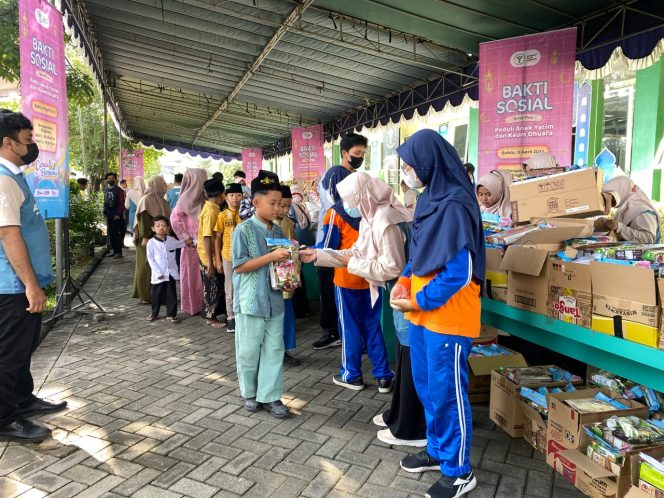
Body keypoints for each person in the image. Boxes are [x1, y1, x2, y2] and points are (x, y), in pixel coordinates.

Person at [390, 129, 484, 498]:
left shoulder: (457, 203)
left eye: (412, 164)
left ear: (429, 163)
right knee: (427, 387)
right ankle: (437, 450)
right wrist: (403, 280)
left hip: (447, 315)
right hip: (422, 314)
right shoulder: (430, 198)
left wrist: (418, 300)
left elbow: (459, 272)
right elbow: (418, 255)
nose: (408, 171)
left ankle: (459, 471)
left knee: (448, 393)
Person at [330, 172, 426, 447]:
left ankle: (410, 426)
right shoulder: (372, 215)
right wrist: (322, 256)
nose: (349, 206)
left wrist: (350, 266)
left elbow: (392, 266)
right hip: (399, 294)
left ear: (363, 196)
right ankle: (398, 414)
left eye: (351, 199)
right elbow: (358, 251)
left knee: (409, 360)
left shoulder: (385, 219)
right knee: (403, 352)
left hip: (406, 295)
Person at [0, 110, 67, 443]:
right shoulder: (2, 179)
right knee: (9, 353)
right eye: (27, 138)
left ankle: (23, 400)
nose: (32, 143)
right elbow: (9, 235)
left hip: (22, 283)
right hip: (12, 286)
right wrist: (29, 285)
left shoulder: (14, 176)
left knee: (23, 348)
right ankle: (4, 419)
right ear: (7, 142)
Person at [232, 170, 291, 419]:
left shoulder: (278, 232)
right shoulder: (243, 231)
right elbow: (239, 265)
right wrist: (270, 257)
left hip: (275, 301)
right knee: (248, 350)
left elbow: (282, 266)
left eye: (280, 204)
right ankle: (250, 392)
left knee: (274, 350)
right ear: (256, 202)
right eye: (272, 203)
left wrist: (290, 279)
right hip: (250, 301)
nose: (278, 208)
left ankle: (271, 395)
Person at [312, 133, 367, 350]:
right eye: (356, 153)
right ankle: (332, 331)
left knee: (348, 293)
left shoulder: (355, 176)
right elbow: (341, 208)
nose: (360, 157)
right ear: (344, 153)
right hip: (330, 242)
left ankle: (349, 334)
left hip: (348, 245)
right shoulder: (337, 173)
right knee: (329, 289)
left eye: (363, 153)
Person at [170, 168, 207, 316]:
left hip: (206, 242)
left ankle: (208, 306)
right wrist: (185, 237)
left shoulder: (205, 197)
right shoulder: (185, 199)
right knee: (192, 275)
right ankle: (193, 305)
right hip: (191, 245)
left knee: (206, 275)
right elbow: (174, 219)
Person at [133, 175, 171, 304]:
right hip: (146, 239)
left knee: (158, 265)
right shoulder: (146, 200)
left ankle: (158, 295)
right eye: (163, 182)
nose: (165, 185)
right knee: (145, 266)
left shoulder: (161, 200)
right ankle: (145, 295)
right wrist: (145, 237)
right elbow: (143, 220)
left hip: (159, 238)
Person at [275, 185, 300, 367]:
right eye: (282, 205)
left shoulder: (287, 221)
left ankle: (284, 350)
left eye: (288, 206)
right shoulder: (271, 224)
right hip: (279, 278)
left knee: (286, 315)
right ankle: (278, 351)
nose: (285, 210)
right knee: (279, 318)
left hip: (288, 276)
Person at [595, 176, 661, 243]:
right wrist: (606, 223)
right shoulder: (626, 208)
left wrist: (619, 228)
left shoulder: (641, 210)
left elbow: (649, 239)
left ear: (622, 192)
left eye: (613, 201)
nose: (612, 204)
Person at [214, 182, 243, 333]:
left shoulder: (247, 214)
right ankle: (231, 317)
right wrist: (218, 260)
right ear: (226, 197)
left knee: (242, 287)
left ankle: (241, 316)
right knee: (230, 288)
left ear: (242, 196)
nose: (235, 198)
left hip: (244, 258)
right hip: (228, 256)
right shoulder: (222, 215)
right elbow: (217, 238)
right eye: (231, 195)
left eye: (238, 195)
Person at [198, 178, 226, 328]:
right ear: (221, 194)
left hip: (210, 255)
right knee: (212, 285)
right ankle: (210, 316)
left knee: (215, 284)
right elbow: (207, 237)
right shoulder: (211, 211)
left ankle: (213, 314)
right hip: (209, 256)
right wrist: (210, 262)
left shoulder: (211, 207)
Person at [146, 216, 185, 323]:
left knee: (171, 295)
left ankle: (171, 314)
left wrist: (194, 241)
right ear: (153, 228)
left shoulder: (171, 240)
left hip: (170, 273)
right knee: (156, 295)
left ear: (168, 227)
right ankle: (154, 313)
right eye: (158, 226)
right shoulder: (151, 243)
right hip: (158, 274)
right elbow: (150, 259)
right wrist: (158, 272)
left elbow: (181, 243)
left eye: (164, 225)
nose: (161, 228)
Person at [103, 172, 126, 259]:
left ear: (116, 179)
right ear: (107, 180)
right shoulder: (106, 190)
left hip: (116, 216)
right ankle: (114, 251)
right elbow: (105, 202)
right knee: (111, 233)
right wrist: (104, 211)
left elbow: (121, 203)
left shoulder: (119, 190)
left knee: (116, 234)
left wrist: (118, 214)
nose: (110, 179)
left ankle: (119, 252)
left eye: (112, 178)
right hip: (109, 215)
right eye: (109, 178)